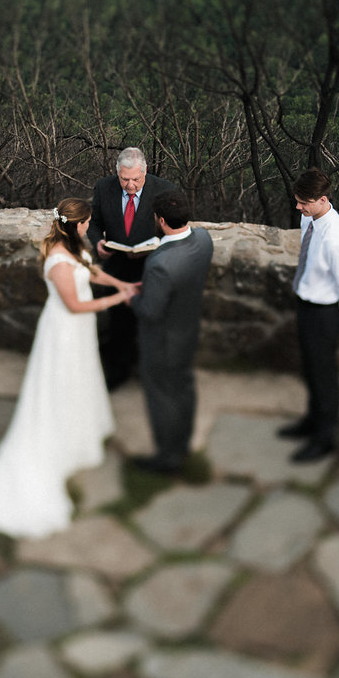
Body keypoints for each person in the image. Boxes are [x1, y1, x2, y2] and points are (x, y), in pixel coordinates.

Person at [0, 197, 136, 539]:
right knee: (61, 387)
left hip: (79, 332)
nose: (90, 226)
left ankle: (79, 436)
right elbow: (74, 305)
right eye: (87, 222)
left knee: (81, 382)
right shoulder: (57, 258)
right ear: (76, 224)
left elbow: (89, 269)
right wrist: (119, 299)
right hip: (64, 332)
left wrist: (119, 283)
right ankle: (54, 445)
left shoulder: (73, 244)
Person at [278, 168, 339, 462]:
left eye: (303, 202)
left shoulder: (337, 239)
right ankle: (311, 421)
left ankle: (325, 437)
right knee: (310, 369)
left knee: (324, 375)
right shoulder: (310, 218)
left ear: (323, 200)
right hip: (307, 303)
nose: (297, 207)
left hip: (326, 312)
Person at [130, 191, 214, 476]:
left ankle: (168, 457)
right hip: (188, 329)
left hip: (162, 340)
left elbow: (150, 311)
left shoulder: (159, 263)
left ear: (161, 220)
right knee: (184, 386)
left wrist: (132, 297)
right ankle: (183, 442)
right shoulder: (203, 239)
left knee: (161, 395)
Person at [90, 148, 178, 388]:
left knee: (151, 323)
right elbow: (94, 224)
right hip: (115, 267)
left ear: (145, 171)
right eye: (124, 179)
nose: (130, 185)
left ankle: (151, 375)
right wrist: (97, 242)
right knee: (117, 324)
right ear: (117, 172)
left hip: (151, 267)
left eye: (136, 180)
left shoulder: (165, 189)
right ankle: (117, 374)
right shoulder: (103, 187)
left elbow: (175, 228)